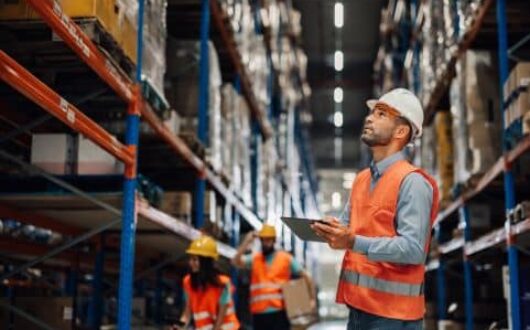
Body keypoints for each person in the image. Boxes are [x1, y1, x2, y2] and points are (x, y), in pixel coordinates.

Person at [312, 88, 440, 330]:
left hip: (394, 316)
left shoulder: (413, 182)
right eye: (371, 112)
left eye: (381, 114)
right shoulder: (361, 179)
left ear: (401, 131)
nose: (369, 118)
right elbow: (350, 229)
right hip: (359, 309)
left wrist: (352, 241)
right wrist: (332, 230)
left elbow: (413, 249)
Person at [232, 224, 316, 330]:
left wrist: (312, 299)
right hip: (258, 314)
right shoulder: (255, 259)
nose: (265, 243)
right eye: (263, 240)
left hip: (279, 313)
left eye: (268, 240)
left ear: (274, 240)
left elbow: (306, 276)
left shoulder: (285, 258)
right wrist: (247, 241)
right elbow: (235, 261)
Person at [177, 235, 240, 330]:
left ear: (205, 261)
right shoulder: (188, 282)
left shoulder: (223, 283)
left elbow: (220, 320)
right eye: (191, 259)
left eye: (195, 259)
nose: (191, 263)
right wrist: (178, 327)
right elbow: (186, 314)